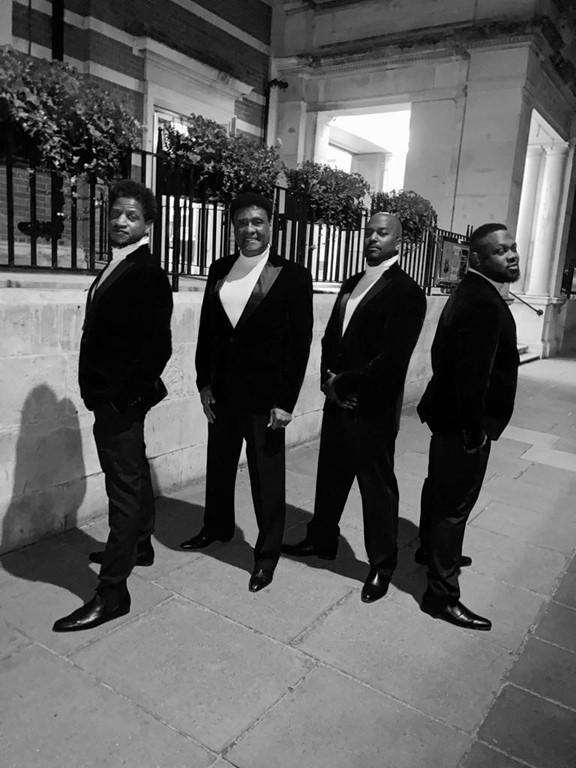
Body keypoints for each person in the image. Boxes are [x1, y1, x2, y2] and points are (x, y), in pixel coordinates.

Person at [283, 212, 427, 603]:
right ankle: (322, 539)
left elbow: (393, 360)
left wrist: (344, 384)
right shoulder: (351, 282)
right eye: (369, 232)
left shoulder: (407, 292)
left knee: (376, 490)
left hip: (372, 408)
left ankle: (382, 565)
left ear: (400, 242)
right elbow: (331, 338)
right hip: (338, 402)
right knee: (329, 478)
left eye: (382, 233)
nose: (373, 238)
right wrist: (328, 383)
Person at [53, 180, 173, 632]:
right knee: (134, 473)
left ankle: (112, 592)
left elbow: (158, 349)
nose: (121, 222)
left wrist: (122, 402)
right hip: (110, 398)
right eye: (117, 214)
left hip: (119, 402)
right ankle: (140, 544)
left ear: (148, 224)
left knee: (122, 489)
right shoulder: (118, 264)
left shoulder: (147, 273)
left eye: (133, 216)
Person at [180, 191, 313, 592]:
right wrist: (204, 383)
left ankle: (266, 554)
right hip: (224, 393)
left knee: (266, 479)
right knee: (219, 466)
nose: (249, 229)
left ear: (270, 225)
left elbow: (300, 342)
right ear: (232, 227)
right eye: (242, 223)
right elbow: (209, 331)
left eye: (257, 222)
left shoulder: (292, 275)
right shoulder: (221, 269)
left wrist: (286, 401)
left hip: (266, 399)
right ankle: (216, 527)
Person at [417, 223, 520, 631]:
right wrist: (475, 430)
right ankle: (441, 595)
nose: (511, 256)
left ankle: (430, 550)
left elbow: (446, 357)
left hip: (447, 418)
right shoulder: (482, 302)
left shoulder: (473, 291)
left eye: (512, 248)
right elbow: (471, 375)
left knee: (437, 490)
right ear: (478, 259)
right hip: (463, 426)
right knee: (453, 509)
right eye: (500, 251)